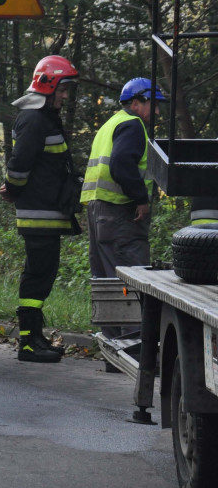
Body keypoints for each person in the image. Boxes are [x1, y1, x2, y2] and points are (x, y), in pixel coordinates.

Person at [0, 55, 81, 363]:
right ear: (48, 85)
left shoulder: (44, 118)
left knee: (43, 274)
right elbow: (19, 164)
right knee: (37, 276)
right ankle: (29, 343)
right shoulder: (34, 119)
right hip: (39, 215)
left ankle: (34, 338)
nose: (64, 96)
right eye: (62, 89)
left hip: (47, 214)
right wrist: (14, 189)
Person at [81, 77, 166, 339]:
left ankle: (112, 347)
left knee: (108, 281)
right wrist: (141, 198)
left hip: (98, 212)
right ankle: (134, 347)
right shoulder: (133, 125)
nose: (158, 112)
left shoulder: (110, 124)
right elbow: (120, 164)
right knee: (132, 278)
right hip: (120, 214)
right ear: (138, 101)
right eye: (155, 104)